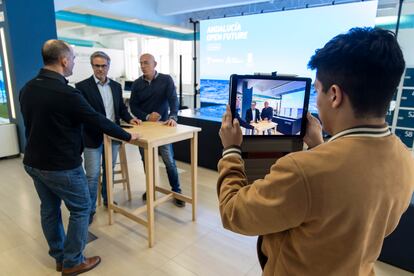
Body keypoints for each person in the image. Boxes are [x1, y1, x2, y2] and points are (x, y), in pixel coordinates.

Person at [217, 27, 414, 275]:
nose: (316, 102)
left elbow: (233, 213)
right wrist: (321, 146)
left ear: (334, 95)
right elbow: (353, 211)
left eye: (317, 90)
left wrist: (231, 150)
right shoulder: (404, 158)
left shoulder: (303, 170)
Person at [19, 40, 139, 275]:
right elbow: (97, 120)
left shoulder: (27, 88)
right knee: (82, 207)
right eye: (73, 59)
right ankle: (73, 261)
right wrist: (127, 135)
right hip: (61, 165)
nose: (74, 63)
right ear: (64, 60)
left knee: (49, 209)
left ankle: (60, 256)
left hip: (33, 162)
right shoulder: (67, 93)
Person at [76, 51, 141, 224]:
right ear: (92, 66)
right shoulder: (82, 87)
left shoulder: (115, 86)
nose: (100, 69)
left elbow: (120, 109)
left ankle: (107, 199)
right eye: (97, 65)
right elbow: (84, 115)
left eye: (103, 65)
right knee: (92, 174)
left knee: (109, 170)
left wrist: (130, 118)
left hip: (113, 135)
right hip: (92, 137)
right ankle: (89, 209)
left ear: (108, 66)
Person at [129, 53, 185, 207]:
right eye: (141, 63)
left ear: (155, 64)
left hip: (163, 127)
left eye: (146, 63)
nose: (143, 66)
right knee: (147, 161)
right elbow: (133, 106)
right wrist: (147, 116)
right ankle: (151, 189)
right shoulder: (136, 84)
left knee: (169, 160)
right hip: (144, 128)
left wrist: (173, 117)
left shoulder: (166, 80)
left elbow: (174, 100)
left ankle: (177, 191)